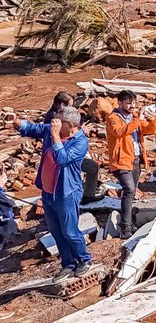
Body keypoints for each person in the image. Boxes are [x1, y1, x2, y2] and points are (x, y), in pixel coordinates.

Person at [15, 107, 92, 282]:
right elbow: (35, 129)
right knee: (56, 231)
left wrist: (56, 136)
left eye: (59, 122)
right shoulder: (52, 130)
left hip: (66, 192)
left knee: (70, 231)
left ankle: (84, 260)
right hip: (48, 192)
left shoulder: (80, 142)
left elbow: (62, 159)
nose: (54, 124)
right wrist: (18, 123)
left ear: (71, 125)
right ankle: (68, 264)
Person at [106, 90, 156, 238]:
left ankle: (129, 221)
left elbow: (150, 129)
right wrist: (136, 122)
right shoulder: (113, 118)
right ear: (120, 103)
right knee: (128, 189)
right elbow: (119, 131)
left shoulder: (134, 117)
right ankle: (125, 226)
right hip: (121, 160)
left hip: (135, 159)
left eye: (133, 103)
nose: (132, 106)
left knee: (132, 191)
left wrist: (152, 119)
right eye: (129, 103)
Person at [43, 92, 102, 205]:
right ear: (61, 104)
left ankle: (87, 194)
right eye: (69, 105)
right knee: (91, 168)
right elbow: (62, 138)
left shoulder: (57, 116)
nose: (72, 108)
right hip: (63, 156)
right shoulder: (56, 119)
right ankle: (85, 196)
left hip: (65, 154)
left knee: (93, 167)